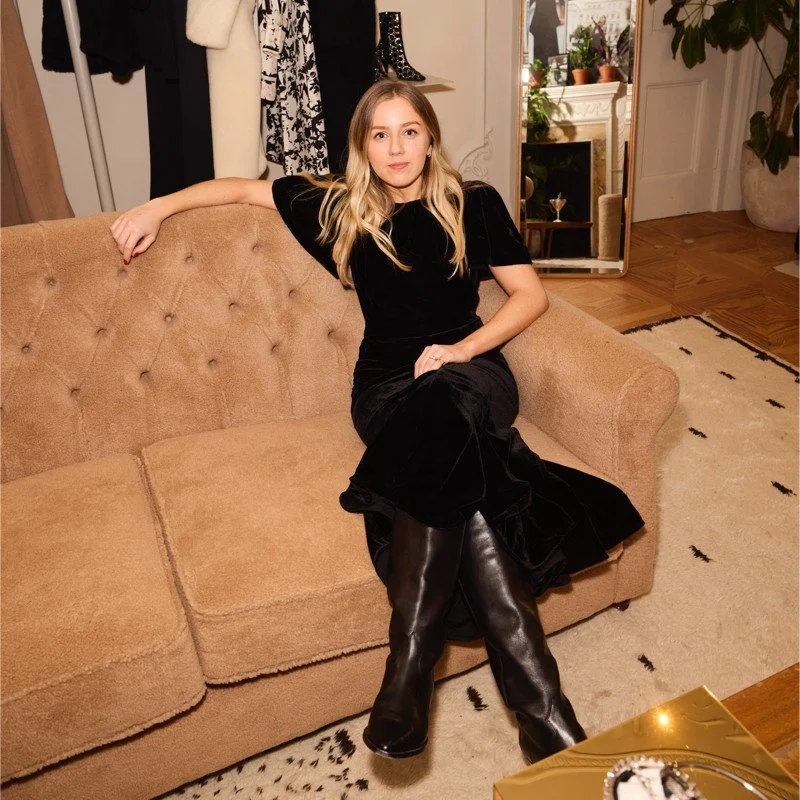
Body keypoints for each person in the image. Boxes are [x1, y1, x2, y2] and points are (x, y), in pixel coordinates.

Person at [110, 78, 646, 765]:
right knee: (465, 485)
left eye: (410, 131)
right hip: (386, 389)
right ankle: (546, 720)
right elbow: (244, 190)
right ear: (363, 145)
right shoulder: (341, 209)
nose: (397, 147)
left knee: (447, 407)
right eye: (380, 134)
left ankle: (410, 668)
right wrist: (157, 207)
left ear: (431, 136)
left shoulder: (471, 203)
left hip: (473, 373)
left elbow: (529, 295)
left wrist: (462, 349)